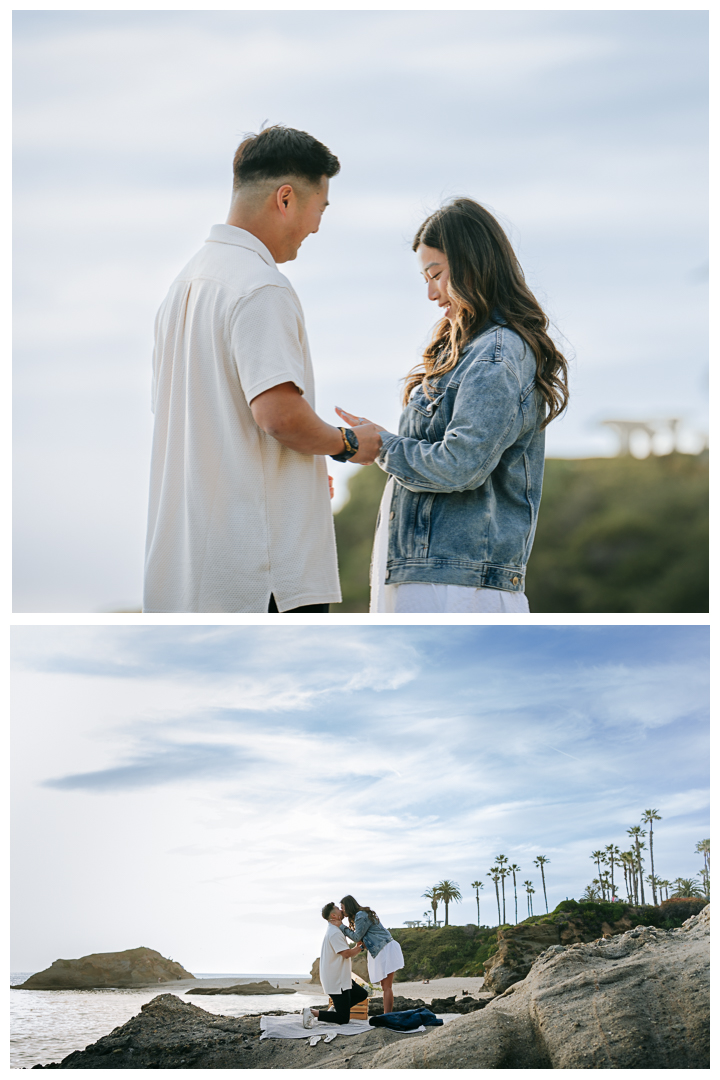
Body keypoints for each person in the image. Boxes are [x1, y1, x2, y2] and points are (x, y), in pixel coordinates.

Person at [143, 125, 383, 613]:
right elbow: (280, 417)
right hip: (262, 579)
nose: (317, 225)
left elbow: (212, 425)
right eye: (322, 207)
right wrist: (350, 444)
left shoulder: (182, 288)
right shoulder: (260, 287)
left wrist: (299, 475)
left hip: (187, 576)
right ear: (287, 198)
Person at [336, 197, 569, 613]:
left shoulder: (496, 354)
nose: (430, 293)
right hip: (435, 576)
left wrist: (383, 446)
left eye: (437, 274)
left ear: (472, 265)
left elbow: (460, 464)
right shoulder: (470, 351)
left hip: (455, 586)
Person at [303, 902, 368, 1028]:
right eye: (338, 909)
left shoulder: (335, 929)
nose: (341, 910)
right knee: (343, 1019)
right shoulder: (334, 932)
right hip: (336, 980)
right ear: (334, 915)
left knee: (361, 994)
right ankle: (312, 1012)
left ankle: (334, 1009)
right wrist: (361, 947)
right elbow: (346, 954)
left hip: (340, 977)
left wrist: (356, 946)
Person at [337, 894, 404, 1015]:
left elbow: (357, 937)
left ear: (348, 906)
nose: (341, 910)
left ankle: (387, 1015)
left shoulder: (360, 916)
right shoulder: (360, 915)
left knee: (387, 986)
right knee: (385, 986)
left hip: (385, 948)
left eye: (342, 907)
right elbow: (360, 938)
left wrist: (341, 926)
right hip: (382, 949)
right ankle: (386, 1014)